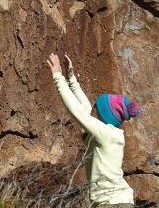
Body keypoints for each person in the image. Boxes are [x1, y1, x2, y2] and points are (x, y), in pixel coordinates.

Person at [47, 52, 140, 208]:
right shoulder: (110, 132)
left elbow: (77, 111)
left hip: (112, 204)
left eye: (95, 106)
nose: (91, 108)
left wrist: (58, 77)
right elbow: (84, 108)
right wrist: (71, 78)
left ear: (102, 115)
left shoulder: (106, 134)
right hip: (118, 202)